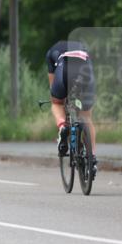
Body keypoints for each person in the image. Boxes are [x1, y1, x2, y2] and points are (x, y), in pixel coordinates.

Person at [46, 39, 97, 173]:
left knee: (56, 103)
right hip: (84, 70)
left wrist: (60, 100)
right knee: (86, 116)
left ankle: (63, 126)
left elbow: (52, 87)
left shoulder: (51, 52)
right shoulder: (84, 49)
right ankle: (92, 160)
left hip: (63, 69)